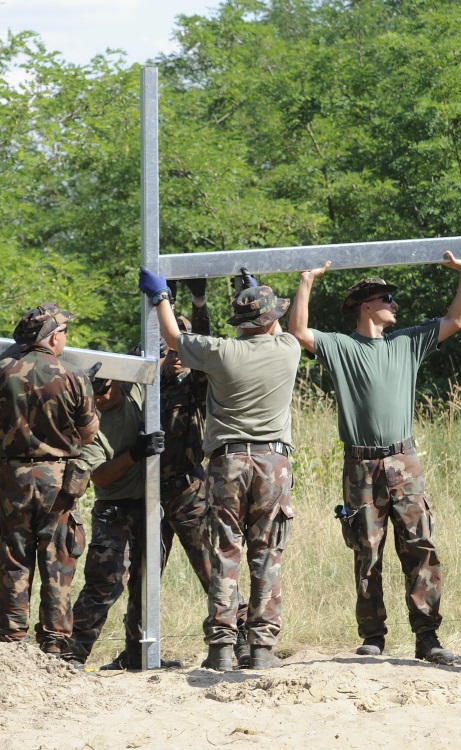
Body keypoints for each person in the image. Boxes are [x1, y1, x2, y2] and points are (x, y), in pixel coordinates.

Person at [288, 251, 461, 664]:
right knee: (366, 552)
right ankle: (373, 635)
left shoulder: (407, 342)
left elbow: (457, 320)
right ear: (365, 306)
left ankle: (428, 636)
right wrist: (307, 280)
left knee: (420, 547)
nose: (394, 305)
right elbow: (299, 329)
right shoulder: (339, 347)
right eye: (386, 298)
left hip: (403, 462)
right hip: (361, 466)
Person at [139, 268, 301, 671]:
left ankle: (222, 649)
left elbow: (175, 339)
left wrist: (161, 298)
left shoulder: (221, 352)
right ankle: (261, 649)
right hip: (272, 463)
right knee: (267, 555)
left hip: (227, 463)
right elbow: (292, 324)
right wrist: (262, 287)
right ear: (271, 320)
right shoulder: (288, 349)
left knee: (225, 553)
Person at [0, 304, 98, 656]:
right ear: (53, 337)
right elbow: (89, 434)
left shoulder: (1, 372)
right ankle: (54, 645)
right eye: (64, 333)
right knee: (57, 559)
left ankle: (12, 642)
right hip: (57, 480)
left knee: (14, 556)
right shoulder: (72, 376)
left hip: (14, 477)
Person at [68, 372, 166, 670]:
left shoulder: (136, 391)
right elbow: (100, 475)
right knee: (105, 582)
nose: (97, 397)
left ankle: (138, 654)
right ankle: (72, 654)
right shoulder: (90, 424)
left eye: (103, 389)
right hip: (115, 510)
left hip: (148, 506)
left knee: (145, 581)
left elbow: (154, 361)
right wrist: (136, 453)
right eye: (92, 392)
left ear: (119, 381)